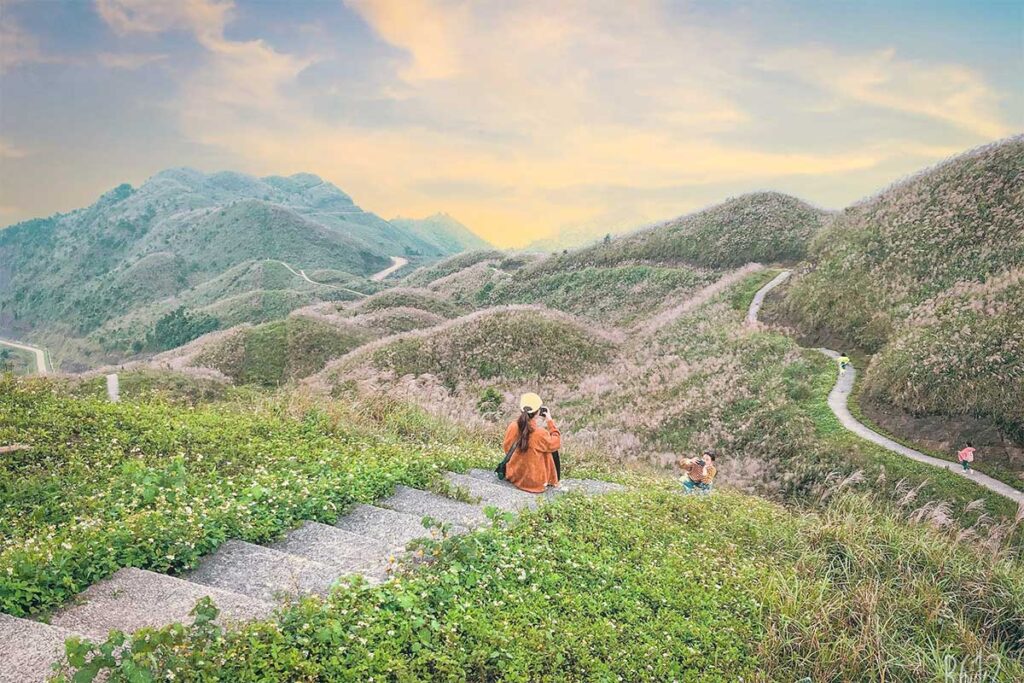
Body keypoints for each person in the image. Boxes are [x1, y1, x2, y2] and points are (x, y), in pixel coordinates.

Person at [503, 393, 560, 493]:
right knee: (549, 450)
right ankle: (552, 481)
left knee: (541, 447)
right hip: (536, 483)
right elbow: (556, 443)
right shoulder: (540, 433)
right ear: (538, 412)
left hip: (514, 476)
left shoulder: (512, 426)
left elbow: (506, 449)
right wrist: (550, 421)